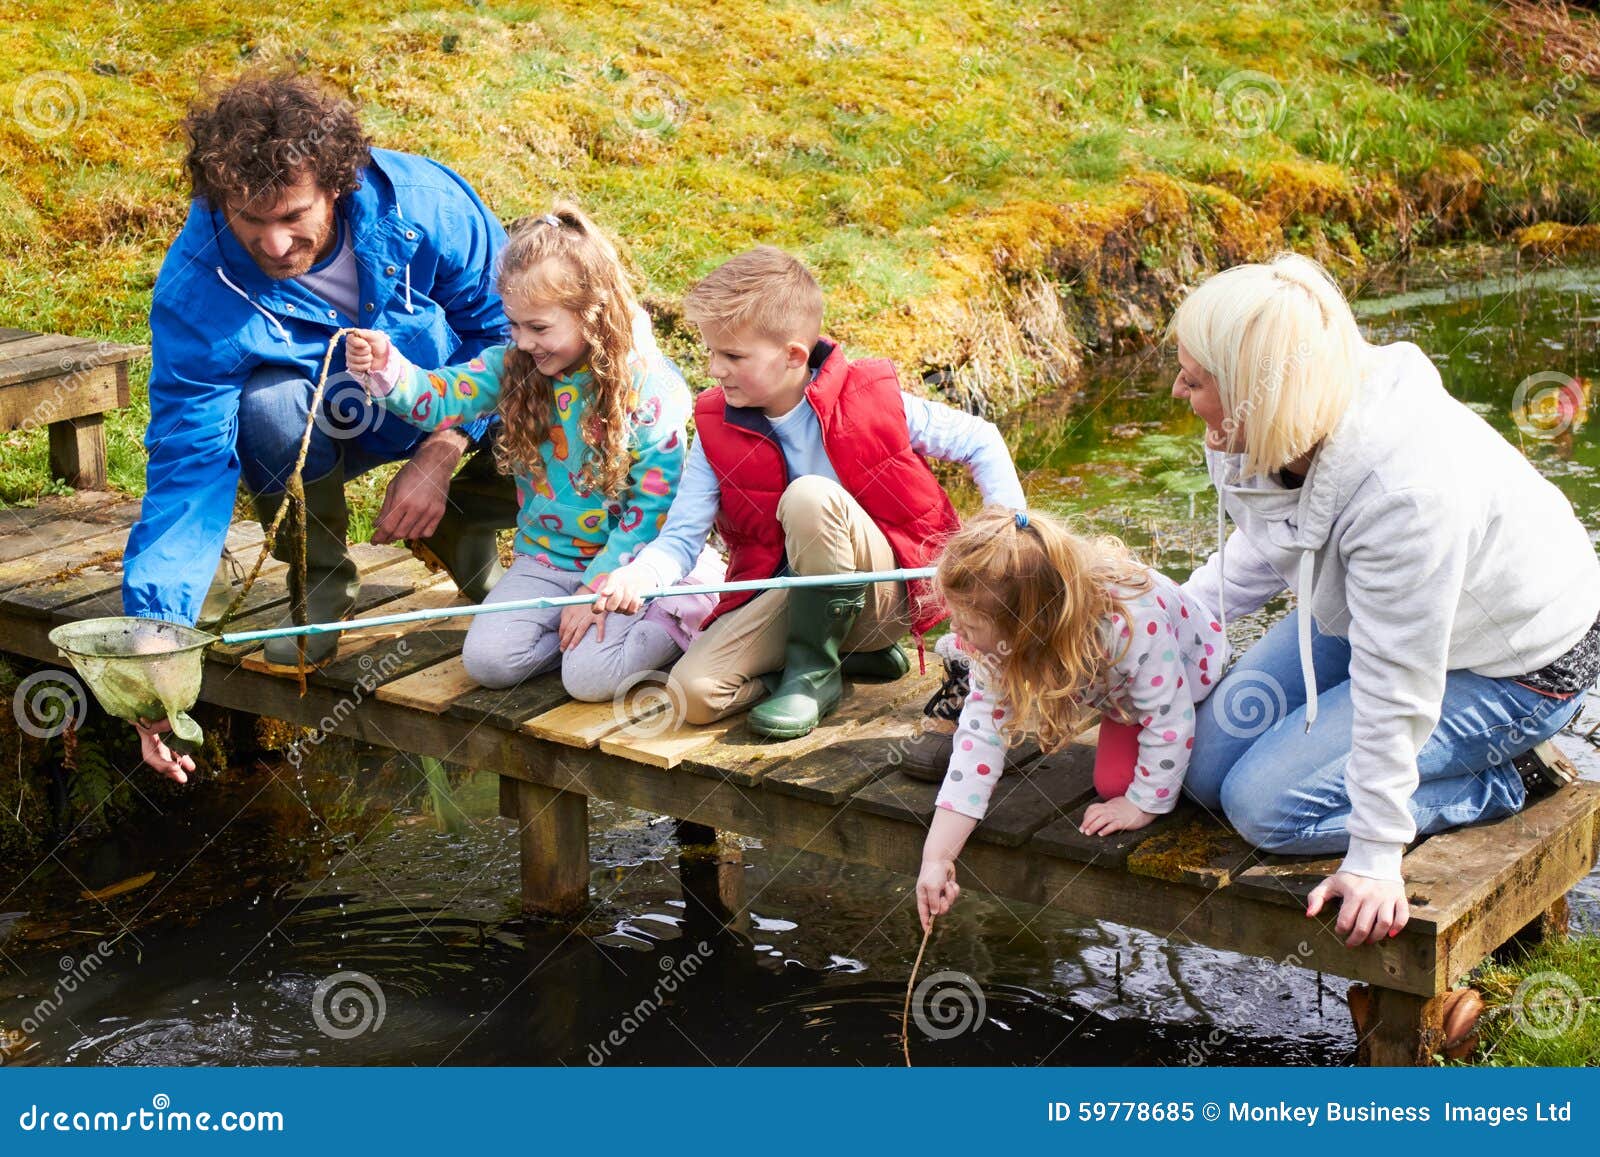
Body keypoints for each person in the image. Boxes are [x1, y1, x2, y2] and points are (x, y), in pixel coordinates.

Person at [1170, 252, 1599, 948]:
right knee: (1205, 767)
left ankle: (1508, 779)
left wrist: (1374, 854)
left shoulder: (1406, 490)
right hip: (1382, 611)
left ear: (1254, 387)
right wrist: (1175, 621)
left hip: (1518, 665)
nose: (1176, 390)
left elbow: (1397, 683)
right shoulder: (1254, 429)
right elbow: (1272, 536)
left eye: (1192, 379)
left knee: (1261, 808)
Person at [129, 72, 519, 781]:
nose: (276, 244)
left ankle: (464, 516)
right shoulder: (198, 289)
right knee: (266, 405)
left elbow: (507, 331)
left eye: (294, 216)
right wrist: (155, 644)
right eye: (252, 222)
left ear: (336, 183)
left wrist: (442, 448)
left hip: (438, 392)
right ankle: (319, 572)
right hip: (317, 427)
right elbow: (187, 476)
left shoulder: (426, 204)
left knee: (557, 371)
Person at [590, 246, 1026, 738]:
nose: (714, 368)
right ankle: (833, 664)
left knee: (809, 497)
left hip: (886, 596)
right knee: (694, 693)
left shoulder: (871, 399)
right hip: (793, 594)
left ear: (794, 355)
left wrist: (1005, 526)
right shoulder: (714, 429)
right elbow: (681, 540)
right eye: (711, 351)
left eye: (732, 355)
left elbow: (980, 440)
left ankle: (814, 673)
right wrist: (637, 575)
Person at [344, 206, 722, 699]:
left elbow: (654, 505)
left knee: (589, 680)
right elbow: (439, 398)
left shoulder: (648, 387)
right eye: (514, 325)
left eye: (539, 328)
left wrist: (598, 587)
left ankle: (679, 614)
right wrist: (388, 368)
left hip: (628, 564)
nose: (524, 341)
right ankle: (577, 640)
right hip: (545, 562)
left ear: (593, 311)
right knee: (489, 662)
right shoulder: (515, 364)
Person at [914, 507, 1229, 930]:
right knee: (1112, 785)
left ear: (1027, 630)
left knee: (1137, 788)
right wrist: (937, 857)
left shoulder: (1132, 624)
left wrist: (1142, 804)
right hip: (1122, 696)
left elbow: (1170, 718)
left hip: (1191, 680)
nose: (955, 633)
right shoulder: (1005, 643)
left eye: (968, 625)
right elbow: (978, 741)